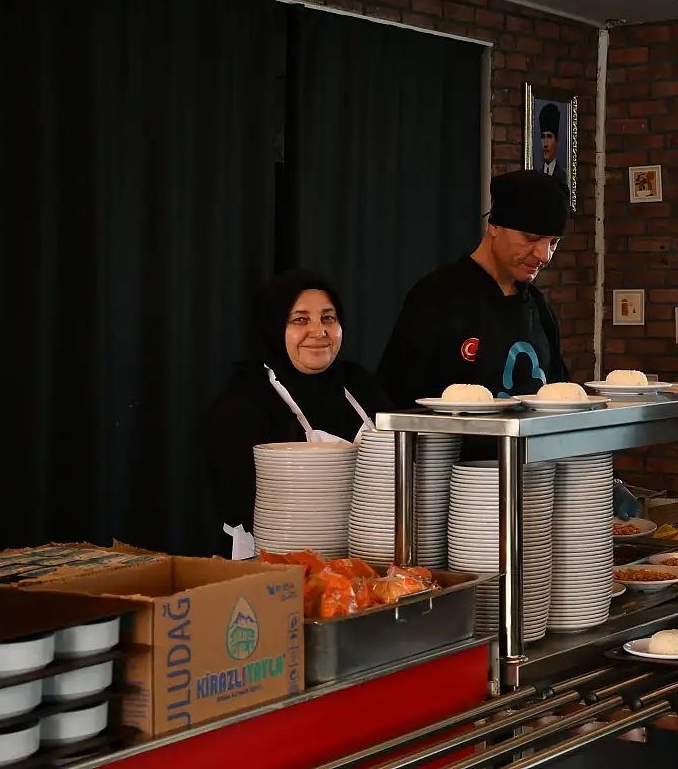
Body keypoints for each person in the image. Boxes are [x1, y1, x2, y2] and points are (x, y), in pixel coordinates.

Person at [207, 270, 393, 544]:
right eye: (300, 320)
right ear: (274, 327)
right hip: (275, 556)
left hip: (371, 547)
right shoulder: (244, 400)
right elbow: (243, 503)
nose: (319, 331)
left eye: (328, 318)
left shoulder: (357, 382)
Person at [378, 169, 570, 408]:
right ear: (495, 227)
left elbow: (559, 396)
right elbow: (396, 399)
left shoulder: (538, 307)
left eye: (553, 242)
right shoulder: (437, 297)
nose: (544, 255)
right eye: (530, 238)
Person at [537, 103, 565, 182]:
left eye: (549, 137)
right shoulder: (537, 175)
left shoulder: (563, 176)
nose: (545, 144)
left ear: (556, 141)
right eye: (543, 137)